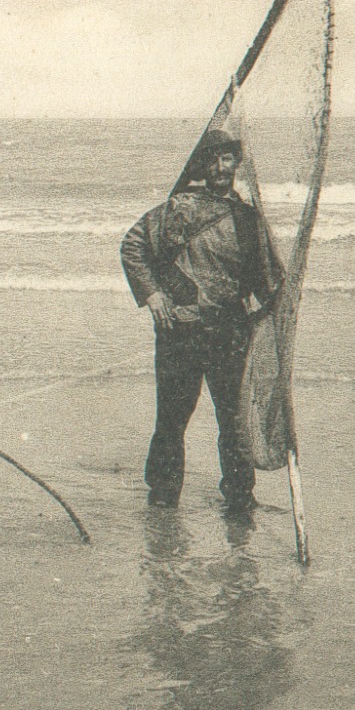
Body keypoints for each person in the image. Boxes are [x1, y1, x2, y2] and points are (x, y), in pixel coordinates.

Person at [120, 128, 284, 512]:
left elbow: (266, 279)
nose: (220, 167)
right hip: (182, 332)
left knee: (234, 423)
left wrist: (279, 302)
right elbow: (133, 245)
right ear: (201, 166)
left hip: (230, 333)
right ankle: (162, 497)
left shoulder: (247, 219)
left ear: (236, 165)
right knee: (172, 421)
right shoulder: (179, 209)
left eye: (227, 159)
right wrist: (153, 295)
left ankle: (241, 496)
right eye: (212, 160)